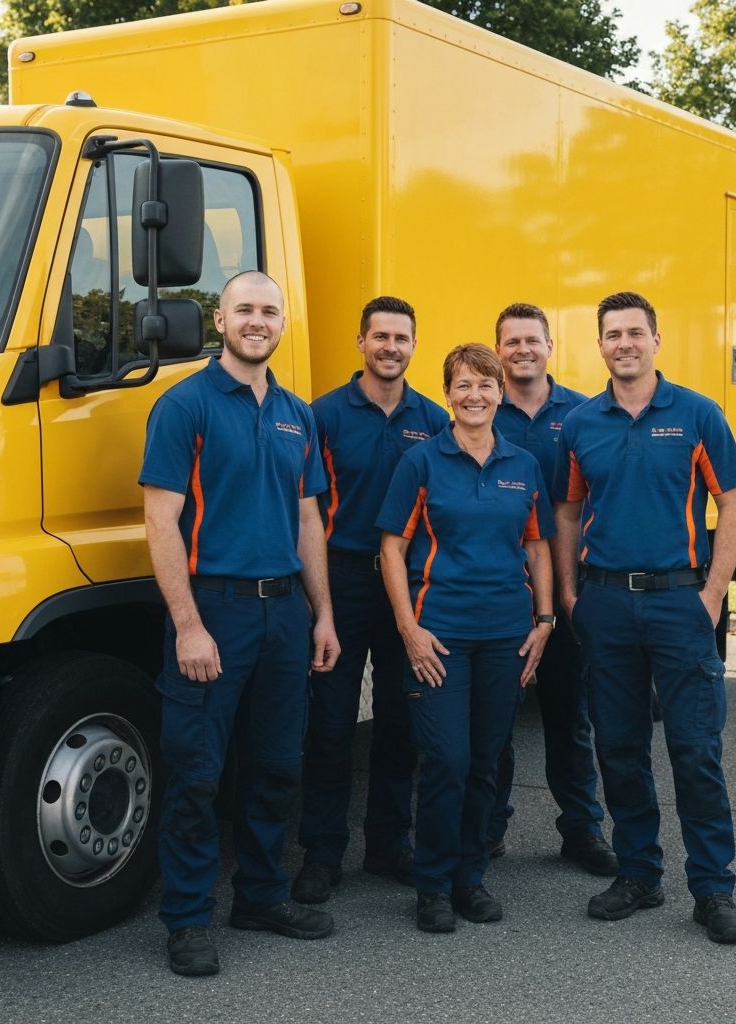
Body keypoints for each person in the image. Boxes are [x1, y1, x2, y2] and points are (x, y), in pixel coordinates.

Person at [140, 271, 341, 976]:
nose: (258, 321)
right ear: (219, 320)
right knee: (197, 771)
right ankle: (189, 918)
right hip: (215, 609)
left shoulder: (295, 412)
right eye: (245, 310)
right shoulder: (184, 405)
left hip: (285, 610)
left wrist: (323, 615)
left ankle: (260, 894)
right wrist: (188, 626)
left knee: (278, 763)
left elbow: (310, 517)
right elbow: (160, 521)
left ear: (283, 323)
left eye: (270, 311)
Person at [551, 291, 736, 944]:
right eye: (612, 334)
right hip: (605, 604)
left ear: (656, 340)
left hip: (678, 601)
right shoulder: (581, 424)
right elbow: (568, 513)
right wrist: (571, 593)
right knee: (619, 746)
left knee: (695, 750)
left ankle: (713, 890)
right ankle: (638, 874)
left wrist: (712, 595)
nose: (624, 343)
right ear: (600, 345)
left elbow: (733, 502)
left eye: (635, 332)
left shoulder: (697, 415)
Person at [376, 343, 556, 933]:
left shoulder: (523, 465)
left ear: (500, 393)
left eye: (485, 384)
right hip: (441, 638)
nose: (474, 395)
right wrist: (409, 629)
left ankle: (469, 879)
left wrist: (545, 621)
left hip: (506, 636)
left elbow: (537, 546)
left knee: (486, 762)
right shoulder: (423, 463)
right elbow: (392, 549)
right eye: (462, 385)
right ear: (447, 395)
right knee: (447, 759)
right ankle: (432, 884)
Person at [294, 297, 449, 905]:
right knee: (330, 725)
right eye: (380, 336)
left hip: (408, 589)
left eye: (402, 338)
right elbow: (304, 510)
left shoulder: (433, 420)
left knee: (400, 721)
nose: (390, 347)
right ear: (360, 342)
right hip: (340, 581)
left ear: (414, 346)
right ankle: (322, 853)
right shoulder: (323, 415)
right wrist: (319, 604)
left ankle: (389, 845)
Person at [488, 303, 616, 876]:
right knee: (495, 718)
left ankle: (582, 830)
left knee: (569, 714)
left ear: (550, 346)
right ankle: (487, 828)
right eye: (511, 342)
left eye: (531, 341)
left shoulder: (586, 414)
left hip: (567, 586)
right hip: (498, 589)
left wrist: (570, 592)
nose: (522, 350)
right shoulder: (482, 410)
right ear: (499, 351)